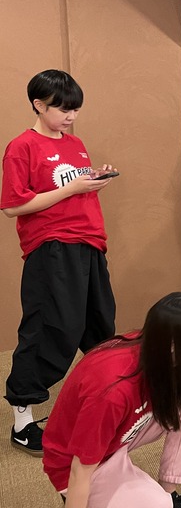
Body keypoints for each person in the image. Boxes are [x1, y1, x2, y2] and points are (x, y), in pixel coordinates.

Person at [42, 292, 181, 508]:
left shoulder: (156, 343)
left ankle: (168, 489)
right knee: (158, 505)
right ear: (173, 345)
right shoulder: (112, 392)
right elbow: (79, 471)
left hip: (120, 433)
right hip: (77, 464)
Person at [2, 70, 117, 456]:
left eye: (75, 110)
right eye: (63, 109)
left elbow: (72, 189)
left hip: (90, 243)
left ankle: (103, 403)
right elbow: (13, 206)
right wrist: (72, 188)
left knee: (99, 326)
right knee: (49, 330)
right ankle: (22, 422)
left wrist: (93, 179)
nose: (70, 116)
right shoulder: (22, 146)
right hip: (51, 247)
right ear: (38, 104)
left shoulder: (76, 144)